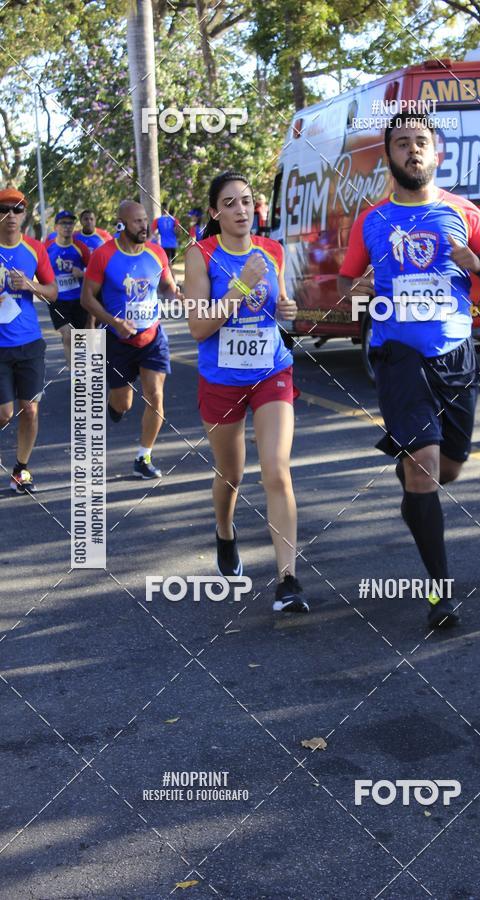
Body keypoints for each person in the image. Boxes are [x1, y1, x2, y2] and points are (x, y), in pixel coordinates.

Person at [338, 113, 480, 629]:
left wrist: (478, 265)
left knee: (447, 468)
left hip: (455, 355)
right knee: (425, 464)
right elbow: (347, 284)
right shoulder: (371, 220)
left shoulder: (464, 212)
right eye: (402, 143)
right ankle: (441, 594)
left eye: (421, 142)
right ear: (388, 156)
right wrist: (358, 292)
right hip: (397, 356)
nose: (412, 150)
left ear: (437, 153)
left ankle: (413, 484)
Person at [185, 171, 308, 614]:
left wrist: (288, 307)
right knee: (231, 474)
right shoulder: (201, 255)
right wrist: (240, 284)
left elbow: (279, 304)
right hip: (221, 377)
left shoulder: (272, 250)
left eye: (246, 201)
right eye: (230, 203)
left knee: (276, 469)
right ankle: (224, 531)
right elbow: (198, 327)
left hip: (271, 370)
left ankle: (288, 580)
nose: (241, 210)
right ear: (215, 212)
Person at [81, 200, 181, 479]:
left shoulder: (157, 252)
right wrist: (114, 322)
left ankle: (143, 457)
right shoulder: (104, 255)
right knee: (122, 403)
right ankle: (114, 405)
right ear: (122, 224)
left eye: (145, 220)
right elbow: (87, 298)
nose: (144, 226)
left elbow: (167, 286)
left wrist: (177, 295)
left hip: (152, 338)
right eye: (137, 221)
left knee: (155, 396)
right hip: (118, 341)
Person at [0, 188, 57, 493]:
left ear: (24, 215)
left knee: (30, 410)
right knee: (5, 413)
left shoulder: (35, 249)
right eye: (4, 209)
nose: (10, 215)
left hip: (29, 343)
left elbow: (53, 292)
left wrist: (30, 285)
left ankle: (21, 469)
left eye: (17, 209)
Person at [45, 210, 90, 367]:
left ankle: (85, 370)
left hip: (78, 298)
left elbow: (94, 272)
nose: (67, 226)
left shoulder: (81, 248)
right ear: (56, 227)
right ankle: (74, 373)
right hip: (57, 299)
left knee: (81, 336)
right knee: (68, 334)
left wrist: (82, 273)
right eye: (63, 223)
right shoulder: (47, 248)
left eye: (70, 223)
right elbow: (38, 270)